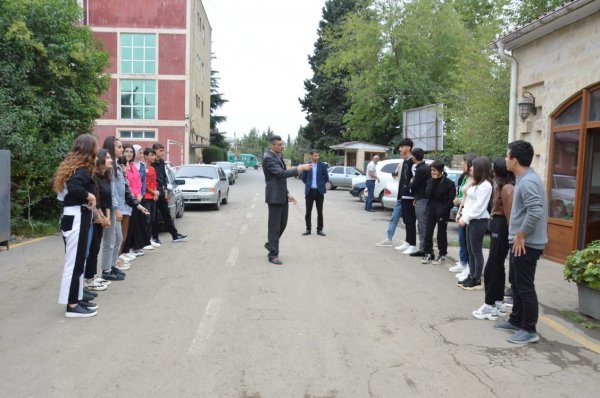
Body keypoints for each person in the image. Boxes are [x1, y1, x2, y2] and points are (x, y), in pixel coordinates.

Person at [494, 140, 547, 344]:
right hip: (520, 242)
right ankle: (516, 320)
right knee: (515, 283)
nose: (506, 160)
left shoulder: (528, 182)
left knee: (524, 286)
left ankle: (529, 329)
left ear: (514, 160)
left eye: (508, 157)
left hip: (526, 244)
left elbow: (536, 211)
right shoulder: (525, 179)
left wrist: (521, 235)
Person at [53, 134, 99, 318]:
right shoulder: (81, 170)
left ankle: (77, 298)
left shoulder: (77, 167)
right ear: (89, 149)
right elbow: (75, 187)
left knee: (78, 261)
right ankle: (72, 305)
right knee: (74, 263)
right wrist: (90, 196)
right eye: (95, 145)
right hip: (76, 217)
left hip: (76, 216)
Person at [473, 157, 514, 320]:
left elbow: (510, 215)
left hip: (501, 225)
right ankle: (498, 302)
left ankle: (489, 305)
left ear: (497, 171)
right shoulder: (501, 184)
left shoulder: (507, 188)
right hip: (498, 224)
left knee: (492, 267)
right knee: (496, 266)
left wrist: (512, 235)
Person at [263, 135, 312, 265]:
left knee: (282, 224)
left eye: (282, 144)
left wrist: (287, 193)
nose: (282, 146)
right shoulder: (268, 158)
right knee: (274, 227)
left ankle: (270, 244)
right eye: (279, 144)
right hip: (274, 197)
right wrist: (300, 168)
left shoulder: (277, 157)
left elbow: (280, 180)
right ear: (272, 145)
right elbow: (281, 174)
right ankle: (273, 255)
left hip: (282, 195)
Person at [457, 156, 492, 290]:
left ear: (480, 169)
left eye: (473, 166)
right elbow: (469, 203)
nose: (471, 168)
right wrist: (463, 216)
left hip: (478, 221)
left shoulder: (486, 186)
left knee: (476, 251)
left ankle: (477, 279)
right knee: (470, 250)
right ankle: (471, 275)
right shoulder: (475, 183)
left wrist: (465, 219)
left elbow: (479, 207)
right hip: (470, 220)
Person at [84, 148, 113, 292]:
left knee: (96, 247)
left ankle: (93, 276)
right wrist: (101, 218)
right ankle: (88, 278)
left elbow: (107, 200)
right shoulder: (94, 177)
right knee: (92, 248)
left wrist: (107, 218)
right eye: (107, 157)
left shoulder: (106, 177)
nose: (111, 160)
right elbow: (97, 201)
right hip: (94, 217)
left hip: (102, 216)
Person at [152, 143, 187, 243]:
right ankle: (155, 237)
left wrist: (165, 189)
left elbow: (163, 177)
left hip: (162, 192)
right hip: (154, 192)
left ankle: (175, 235)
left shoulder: (162, 162)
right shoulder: (152, 163)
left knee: (167, 215)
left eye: (163, 150)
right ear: (154, 151)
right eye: (160, 150)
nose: (162, 152)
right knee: (154, 217)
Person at [421, 161, 456, 264]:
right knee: (428, 232)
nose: (432, 172)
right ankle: (428, 253)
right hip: (431, 209)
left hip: (443, 210)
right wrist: (432, 182)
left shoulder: (449, 183)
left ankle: (442, 254)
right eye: (431, 170)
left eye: (435, 170)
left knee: (441, 234)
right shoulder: (430, 181)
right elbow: (427, 194)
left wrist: (444, 210)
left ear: (441, 170)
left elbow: (451, 200)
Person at [449, 154, 476, 274]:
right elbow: (463, 195)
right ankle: (463, 262)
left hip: (469, 213)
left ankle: (469, 268)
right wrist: (459, 211)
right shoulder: (465, 178)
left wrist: (460, 205)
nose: (462, 165)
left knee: (468, 242)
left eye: (464, 163)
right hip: (462, 210)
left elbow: (469, 198)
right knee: (462, 239)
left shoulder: (476, 180)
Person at [394, 138, 417, 254]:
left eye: (402, 147)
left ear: (408, 148)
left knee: (410, 220)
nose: (400, 149)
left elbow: (415, 179)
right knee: (406, 221)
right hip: (403, 196)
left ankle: (413, 244)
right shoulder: (405, 161)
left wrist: (414, 195)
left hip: (410, 196)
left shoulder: (413, 161)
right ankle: (408, 242)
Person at [300, 149, 329, 236]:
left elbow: (326, 178)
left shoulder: (322, 165)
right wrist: (309, 184)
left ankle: (319, 230)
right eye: (315, 155)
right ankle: (308, 229)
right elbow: (303, 178)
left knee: (320, 212)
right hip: (309, 192)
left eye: (318, 155)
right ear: (311, 156)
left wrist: (320, 184)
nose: (317, 157)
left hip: (319, 192)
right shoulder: (307, 165)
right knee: (308, 212)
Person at [408, 148, 430, 257]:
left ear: (414, 157)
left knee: (422, 225)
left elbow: (413, 185)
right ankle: (424, 248)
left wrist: (411, 181)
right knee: (422, 225)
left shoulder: (421, 169)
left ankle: (424, 249)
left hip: (423, 199)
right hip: (420, 198)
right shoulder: (425, 167)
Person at [142, 148, 160, 248]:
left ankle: (149, 239)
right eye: (151, 155)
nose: (153, 157)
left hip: (153, 197)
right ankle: (145, 241)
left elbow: (154, 182)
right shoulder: (143, 168)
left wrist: (156, 193)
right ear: (145, 156)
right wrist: (154, 193)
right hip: (146, 197)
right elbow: (145, 184)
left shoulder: (152, 168)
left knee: (152, 219)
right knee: (146, 220)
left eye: (154, 155)